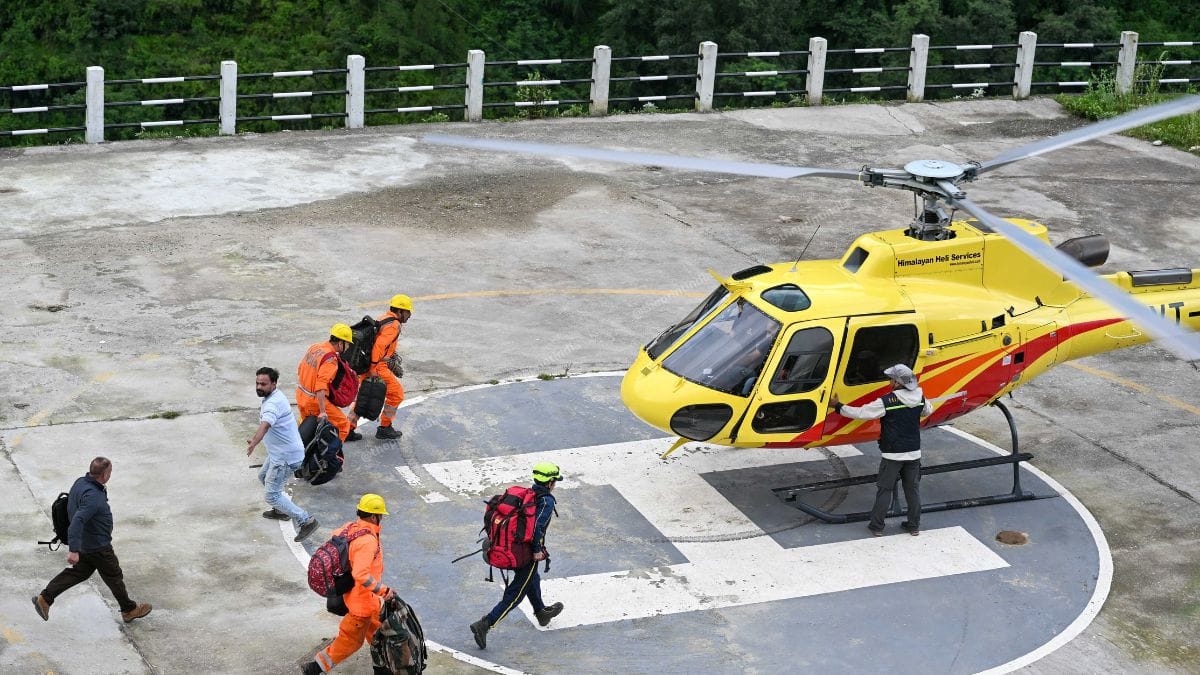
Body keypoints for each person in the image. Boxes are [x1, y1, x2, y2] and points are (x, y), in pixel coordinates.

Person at [32, 457, 152, 623]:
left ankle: (45, 598)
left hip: (85, 543)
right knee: (113, 575)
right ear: (104, 475)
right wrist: (73, 550)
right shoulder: (93, 496)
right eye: (109, 472)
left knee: (79, 572)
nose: (110, 475)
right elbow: (77, 521)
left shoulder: (80, 482)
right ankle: (129, 610)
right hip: (97, 546)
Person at [830, 364, 933, 537]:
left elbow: (862, 413)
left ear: (898, 383)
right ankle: (914, 526)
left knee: (885, 489)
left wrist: (838, 406)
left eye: (891, 379)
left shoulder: (887, 401)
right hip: (914, 452)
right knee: (912, 490)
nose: (889, 381)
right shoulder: (920, 397)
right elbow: (928, 410)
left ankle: (877, 526)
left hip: (892, 454)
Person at [470, 462, 564, 649]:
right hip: (526, 553)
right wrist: (537, 550)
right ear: (550, 482)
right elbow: (536, 528)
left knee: (531, 579)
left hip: (512, 548)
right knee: (516, 594)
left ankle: (541, 612)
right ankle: (485, 624)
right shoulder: (547, 501)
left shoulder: (527, 495)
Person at [302, 494, 396, 674]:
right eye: (381, 515)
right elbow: (361, 574)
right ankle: (315, 668)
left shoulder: (350, 528)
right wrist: (385, 591)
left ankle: (382, 667)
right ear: (374, 516)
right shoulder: (367, 540)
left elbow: (336, 539)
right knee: (350, 641)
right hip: (362, 604)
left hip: (366, 599)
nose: (382, 518)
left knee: (378, 633)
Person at [248, 366, 319, 541]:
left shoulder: (272, 403)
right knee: (263, 477)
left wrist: (254, 442)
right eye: (257, 383)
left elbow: (265, 425)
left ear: (273, 383)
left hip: (285, 458)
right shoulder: (273, 396)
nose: (259, 387)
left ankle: (306, 520)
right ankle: (281, 510)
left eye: (263, 384)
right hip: (278, 453)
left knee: (271, 495)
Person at [347, 294, 412, 441]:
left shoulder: (384, 318)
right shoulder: (394, 325)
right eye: (408, 312)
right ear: (400, 311)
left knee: (364, 396)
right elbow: (379, 346)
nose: (409, 315)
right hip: (377, 366)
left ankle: (348, 429)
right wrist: (374, 369)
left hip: (369, 364)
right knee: (396, 394)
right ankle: (385, 427)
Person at [297, 324, 355, 444]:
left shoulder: (315, 347)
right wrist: (323, 411)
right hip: (314, 401)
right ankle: (333, 458)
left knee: (307, 429)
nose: (348, 347)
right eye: (348, 343)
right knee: (343, 426)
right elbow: (320, 386)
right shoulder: (330, 359)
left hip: (301, 395)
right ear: (340, 343)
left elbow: (300, 369)